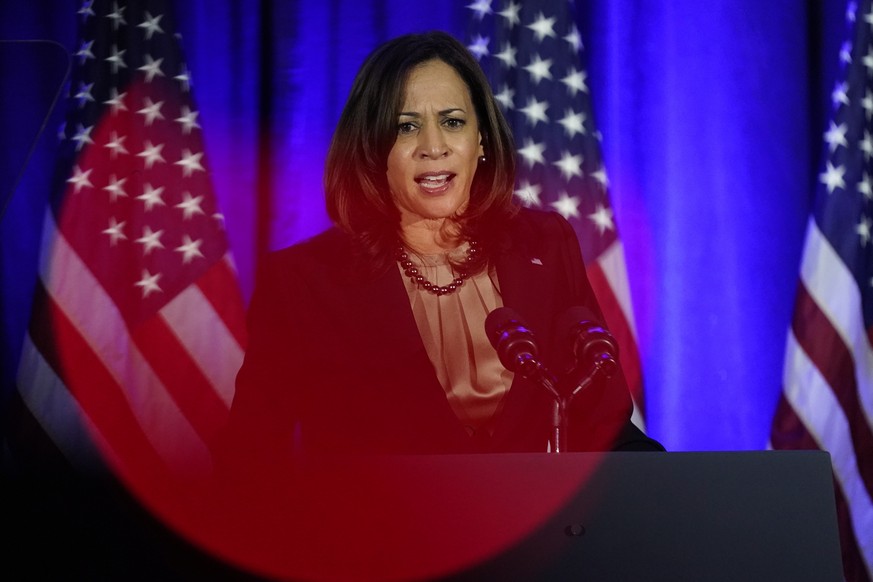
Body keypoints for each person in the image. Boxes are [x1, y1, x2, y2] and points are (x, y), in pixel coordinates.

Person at [219, 31, 662, 472]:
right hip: (380, 539)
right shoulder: (305, 280)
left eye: (452, 121)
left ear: (481, 140)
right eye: (406, 126)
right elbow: (251, 458)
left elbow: (604, 429)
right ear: (373, 149)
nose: (434, 146)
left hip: (530, 536)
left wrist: (681, 492)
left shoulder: (545, 246)